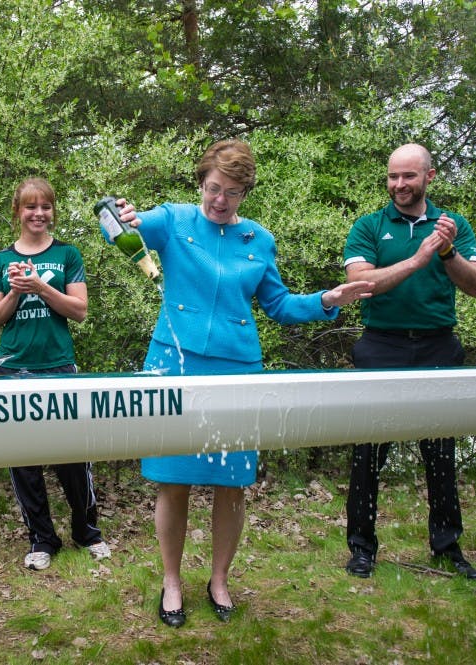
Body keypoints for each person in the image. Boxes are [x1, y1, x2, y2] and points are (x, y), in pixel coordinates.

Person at [112, 140, 374, 627]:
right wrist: (127, 217)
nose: (219, 200)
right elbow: (131, 226)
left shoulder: (258, 239)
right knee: (173, 482)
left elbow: (279, 306)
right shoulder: (173, 219)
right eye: (213, 188)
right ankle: (171, 581)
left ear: (244, 193)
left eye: (231, 193)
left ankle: (219, 579)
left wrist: (327, 298)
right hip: (174, 365)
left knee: (233, 485)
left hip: (237, 371)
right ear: (201, 183)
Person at [342, 143, 476, 580]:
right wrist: (419, 257)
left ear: (429, 177)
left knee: (441, 452)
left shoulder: (452, 225)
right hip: (380, 346)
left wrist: (446, 252)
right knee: (367, 452)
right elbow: (361, 283)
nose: (399, 185)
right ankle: (362, 549)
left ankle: (447, 547)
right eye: (393, 177)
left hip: (437, 347)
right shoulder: (369, 226)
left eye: (408, 176)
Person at [0, 177, 112, 571]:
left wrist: (40, 286)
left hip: (59, 367)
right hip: (13, 369)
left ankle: (86, 531)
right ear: (17, 212)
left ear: (53, 211)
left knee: (74, 455)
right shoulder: (0, 261)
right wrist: (16, 292)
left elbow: (79, 310)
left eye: (45, 207)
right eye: (30, 207)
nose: (38, 214)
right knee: (24, 460)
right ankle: (41, 538)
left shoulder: (68, 254)